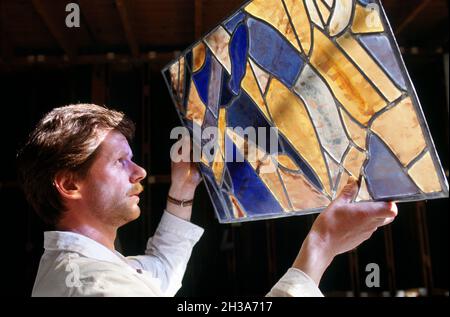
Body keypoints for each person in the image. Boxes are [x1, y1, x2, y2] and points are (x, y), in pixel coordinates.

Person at [18, 104, 397, 297]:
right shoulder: (93, 287)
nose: (140, 172)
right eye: (121, 162)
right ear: (70, 185)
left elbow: (160, 274)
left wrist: (183, 190)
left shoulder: (92, 269)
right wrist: (320, 246)